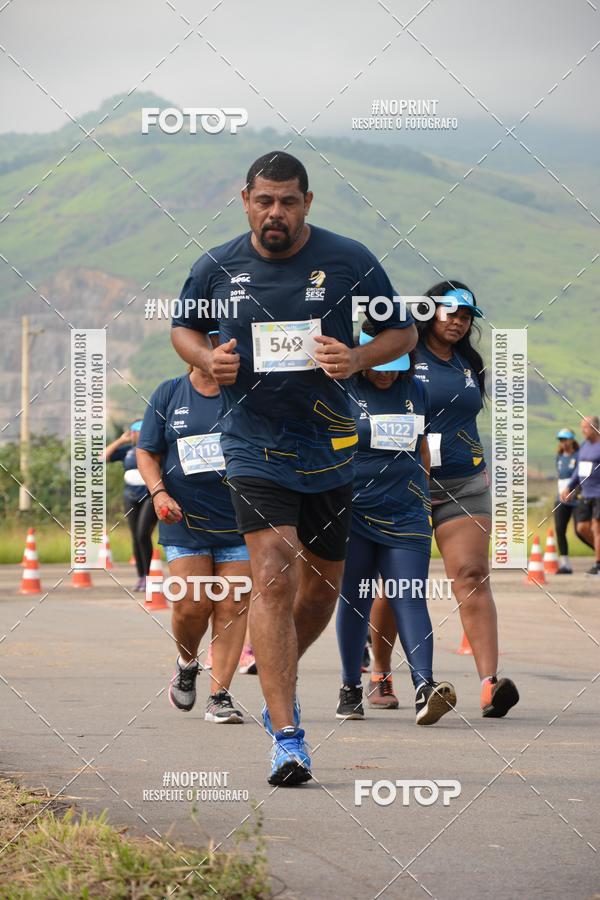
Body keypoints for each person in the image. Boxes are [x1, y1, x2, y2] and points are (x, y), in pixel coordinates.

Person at [171, 151, 417, 785]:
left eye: (287, 201)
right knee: (273, 575)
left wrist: (357, 357)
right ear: (245, 200)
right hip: (251, 444)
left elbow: (403, 335)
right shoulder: (216, 266)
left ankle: (278, 678)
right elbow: (183, 331)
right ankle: (288, 737)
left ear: (307, 202)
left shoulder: (349, 260)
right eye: (264, 201)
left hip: (330, 447)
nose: (274, 212)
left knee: (321, 591)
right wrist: (206, 358)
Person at [335, 325, 456, 725]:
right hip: (354, 512)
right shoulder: (342, 390)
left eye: (394, 365)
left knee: (410, 594)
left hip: (406, 513)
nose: (387, 372)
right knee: (355, 598)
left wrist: (424, 493)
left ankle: (425, 686)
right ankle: (350, 686)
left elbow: (423, 447)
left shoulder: (416, 391)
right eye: (379, 364)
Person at [412, 280, 519, 718]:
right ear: (429, 312)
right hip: (405, 483)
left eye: (465, 316)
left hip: (465, 483)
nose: (457, 322)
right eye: (450, 312)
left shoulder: (468, 364)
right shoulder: (402, 353)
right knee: (399, 582)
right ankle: (380, 673)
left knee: (473, 575)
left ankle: (490, 686)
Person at [136, 362, 250, 723]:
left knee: (233, 604)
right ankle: (187, 662)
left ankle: (220, 696)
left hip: (240, 521)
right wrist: (159, 493)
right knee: (192, 604)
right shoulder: (169, 393)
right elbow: (147, 451)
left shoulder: (246, 391)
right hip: (184, 520)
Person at [104, 421, 157, 591]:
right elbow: (102, 457)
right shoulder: (127, 451)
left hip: (149, 496)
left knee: (143, 534)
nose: (133, 434)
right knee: (135, 536)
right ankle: (141, 577)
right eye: (132, 431)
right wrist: (121, 441)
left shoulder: (153, 449)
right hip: (130, 496)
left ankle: (148, 575)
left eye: (136, 431)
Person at [561, 415, 600, 575]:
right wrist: (569, 487)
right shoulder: (584, 446)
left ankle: (598, 565)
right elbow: (578, 470)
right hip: (585, 494)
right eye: (582, 427)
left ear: (595, 428)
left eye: (586, 427)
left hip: (598, 494)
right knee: (582, 528)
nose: (582, 431)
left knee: (597, 528)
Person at [553, 429, 580, 574]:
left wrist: (574, 492)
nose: (563, 442)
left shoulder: (578, 456)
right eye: (560, 439)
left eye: (565, 439)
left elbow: (580, 477)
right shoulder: (559, 457)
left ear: (572, 440)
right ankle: (565, 564)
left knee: (580, 530)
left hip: (577, 499)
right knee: (559, 529)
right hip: (561, 499)